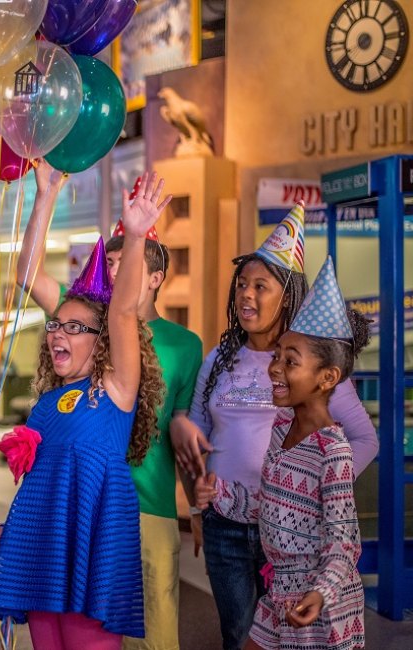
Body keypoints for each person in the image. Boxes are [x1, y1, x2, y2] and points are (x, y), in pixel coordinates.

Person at [175, 204, 378, 650]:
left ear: (286, 295)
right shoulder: (220, 357)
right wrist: (198, 505)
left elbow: (363, 440)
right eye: (242, 284)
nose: (247, 294)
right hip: (230, 518)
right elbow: (195, 433)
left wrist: (317, 489)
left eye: (260, 286)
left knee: (296, 634)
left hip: (295, 541)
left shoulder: (308, 369)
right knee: (239, 633)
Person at [17, 163, 202, 649]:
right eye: (113, 263)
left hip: (148, 504)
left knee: (153, 633)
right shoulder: (78, 338)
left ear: (153, 275)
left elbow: (182, 422)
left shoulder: (169, 348)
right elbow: (29, 275)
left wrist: (197, 495)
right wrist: (46, 196)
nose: (115, 270)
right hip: (75, 510)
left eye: (128, 264)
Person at [0, 173, 171, 649]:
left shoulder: (113, 388)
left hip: (94, 546)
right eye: (55, 324)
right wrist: (45, 194)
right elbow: (42, 482)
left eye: (75, 327)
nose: (58, 333)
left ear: (103, 341)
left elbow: (124, 311)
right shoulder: (45, 404)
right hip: (44, 548)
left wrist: (131, 237)